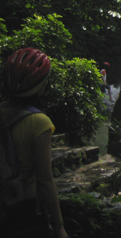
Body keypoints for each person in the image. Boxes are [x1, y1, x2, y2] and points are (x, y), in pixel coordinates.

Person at [0, 48, 69, 238]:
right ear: (42, 86)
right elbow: (45, 179)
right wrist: (59, 226)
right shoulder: (39, 122)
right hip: (25, 208)